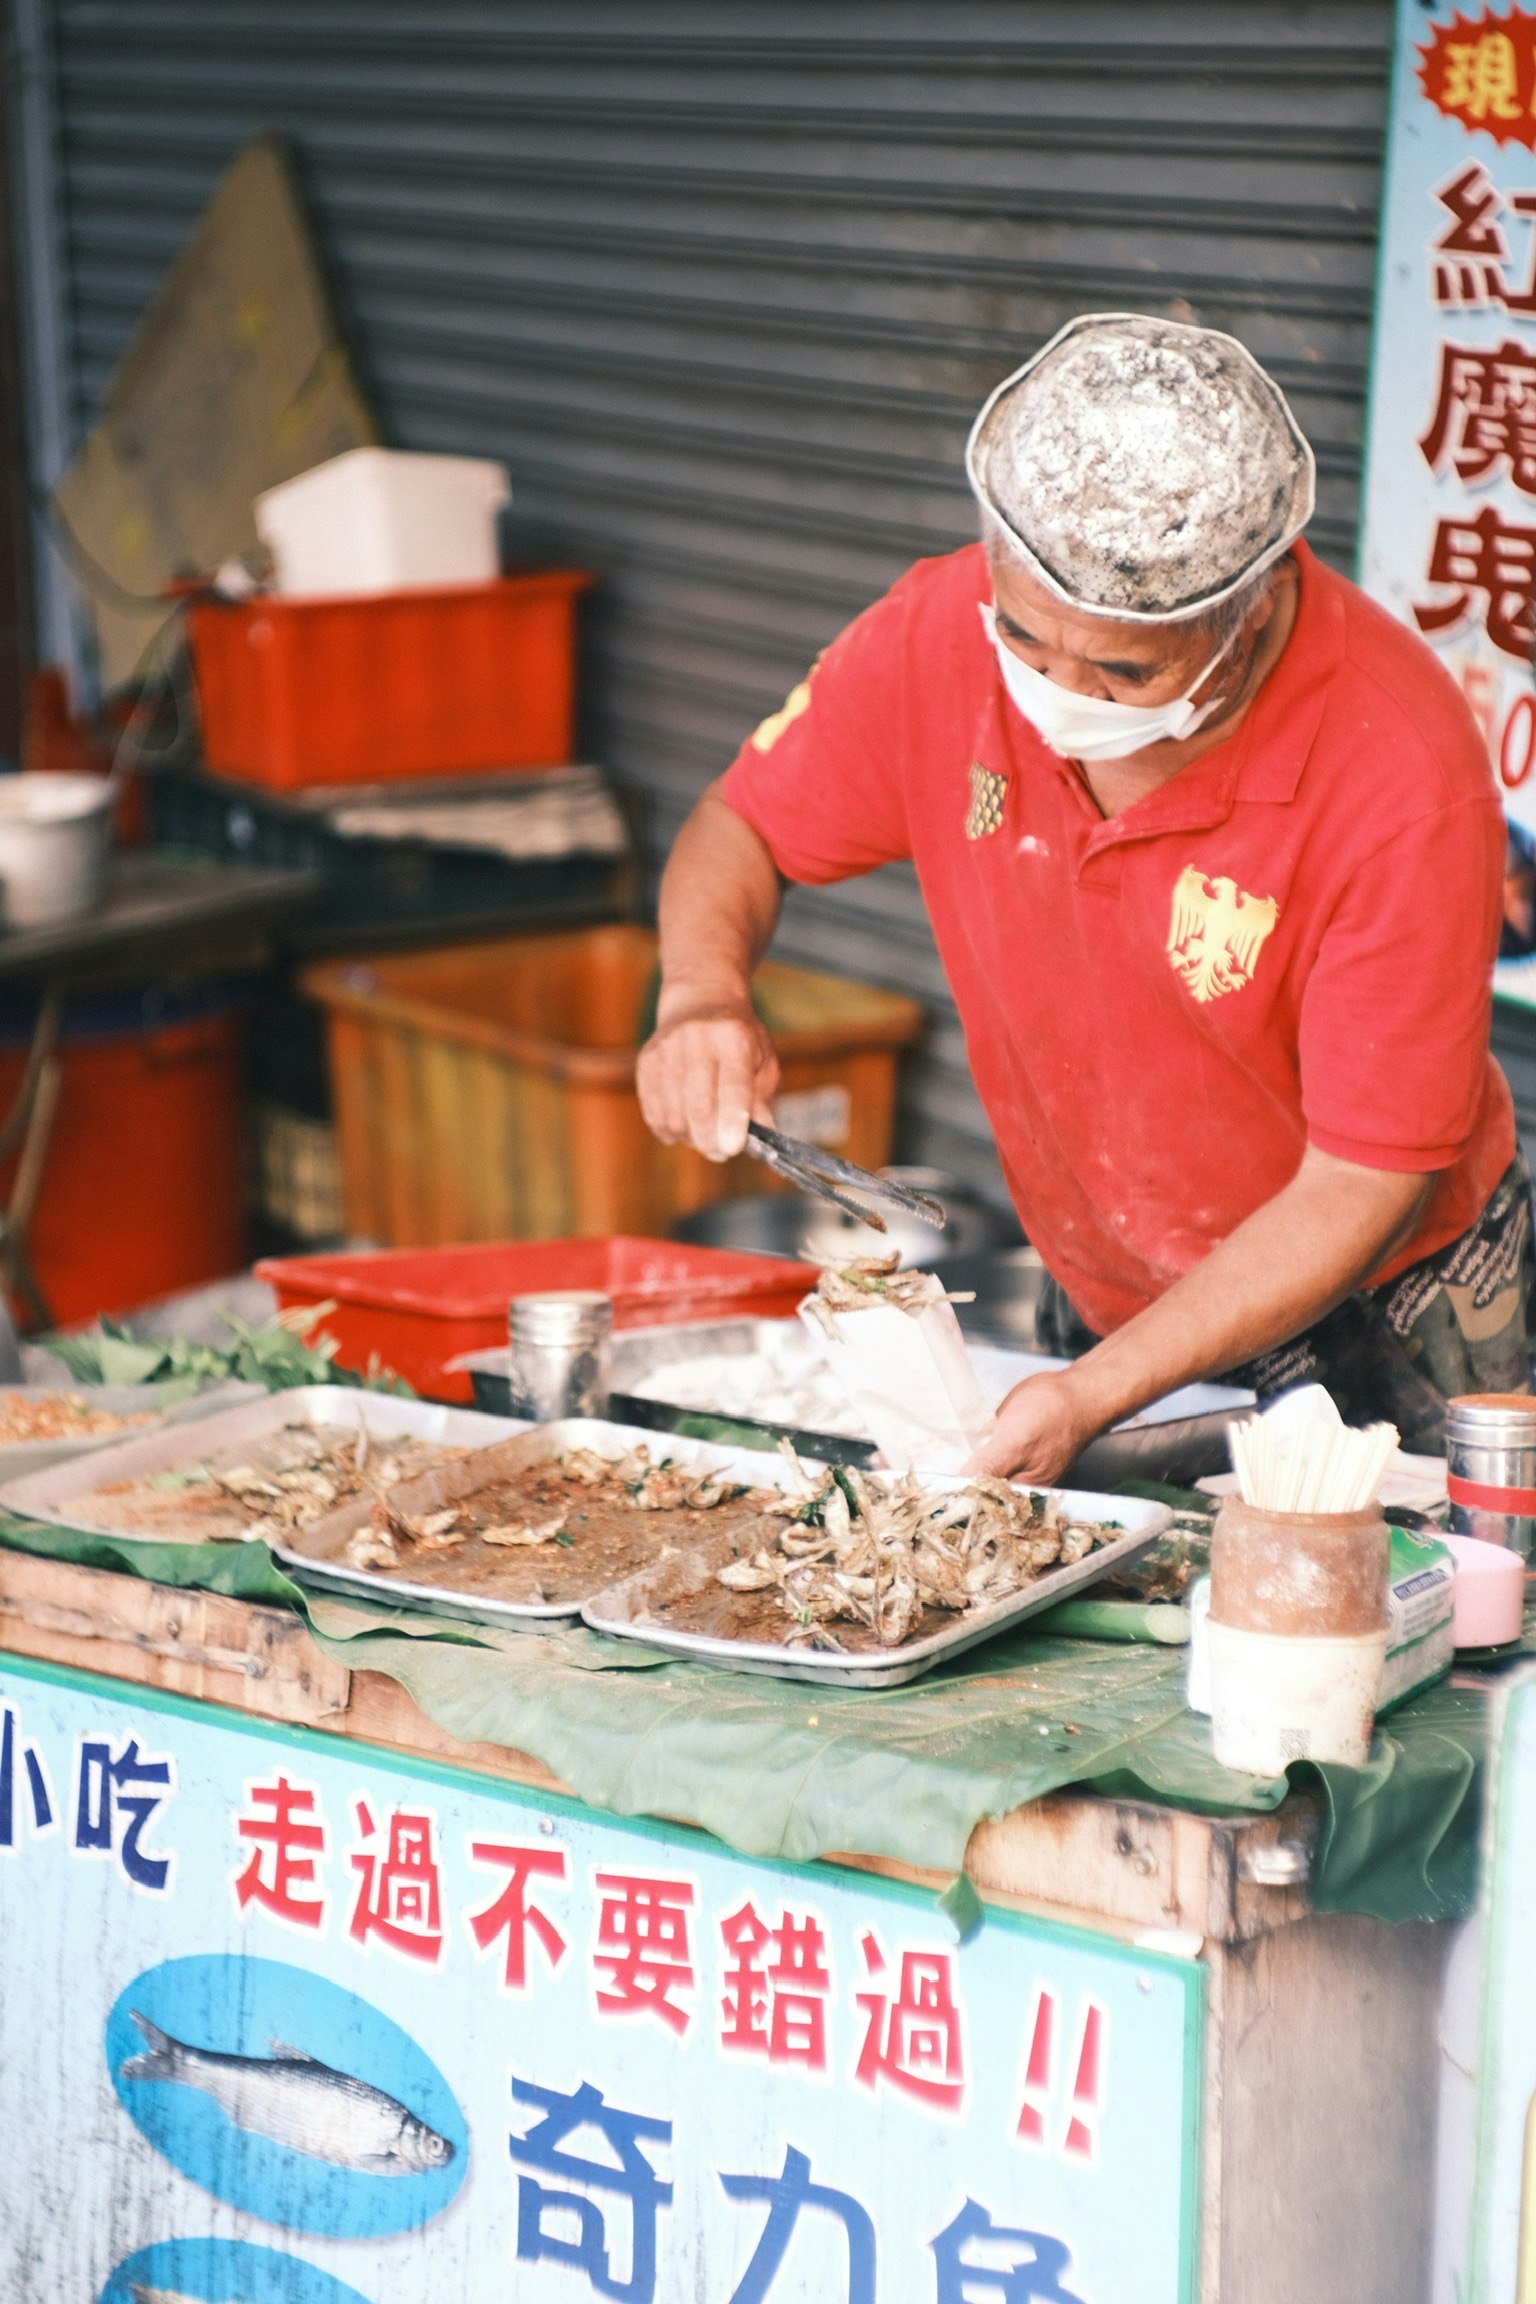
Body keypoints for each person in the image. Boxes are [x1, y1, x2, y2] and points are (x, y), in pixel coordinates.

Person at [636, 312, 1531, 1474]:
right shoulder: (932, 636)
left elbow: (1362, 1186)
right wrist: (701, 993)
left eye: (1122, 669)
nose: (1059, 690)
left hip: (1392, 1306)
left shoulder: (1401, 774)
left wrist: (1091, 1396)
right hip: (1099, 1290)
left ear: (1249, 608)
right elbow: (741, 822)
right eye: (1025, 638)